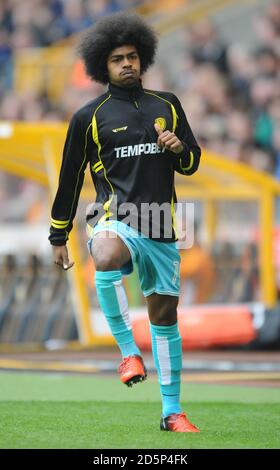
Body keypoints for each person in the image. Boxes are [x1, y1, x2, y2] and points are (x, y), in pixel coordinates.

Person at [49, 12, 201, 433]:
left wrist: (176, 148)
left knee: (166, 318)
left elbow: (192, 161)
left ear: (143, 58)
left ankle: (172, 412)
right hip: (113, 216)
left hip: (161, 224)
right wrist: (58, 234)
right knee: (107, 252)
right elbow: (69, 176)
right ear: (104, 66)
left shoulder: (168, 104)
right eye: (118, 59)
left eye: (133, 56)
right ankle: (128, 352)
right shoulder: (88, 117)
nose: (128, 64)